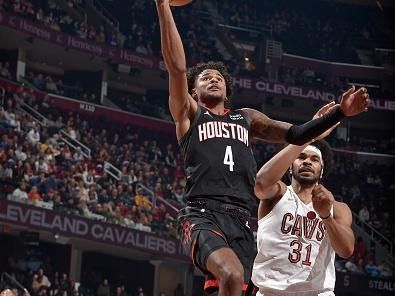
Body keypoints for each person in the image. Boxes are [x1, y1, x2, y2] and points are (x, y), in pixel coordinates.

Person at [155, 1, 369, 295]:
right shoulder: (190, 115)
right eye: (205, 78)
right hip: (202, 213)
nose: (214, 79)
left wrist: (339, 114)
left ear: (228, 90)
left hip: (241, 221)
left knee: (244, 287)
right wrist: (162, 4)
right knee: (230, 274)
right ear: (193, 91)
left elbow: (295, 133)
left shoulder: (246, 118)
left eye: (218, 78)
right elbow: (177, 67)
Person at [251, 128, 355, 295]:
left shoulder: (338, 208)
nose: (307, 162)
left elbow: (346, 250)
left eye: (314, 159)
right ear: (290, 168)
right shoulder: (278, 194)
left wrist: (326, 216)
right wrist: (305, 138)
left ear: (321, 170)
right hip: (272, 291)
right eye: (301, 157)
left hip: (318, 292)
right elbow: (260, 184)